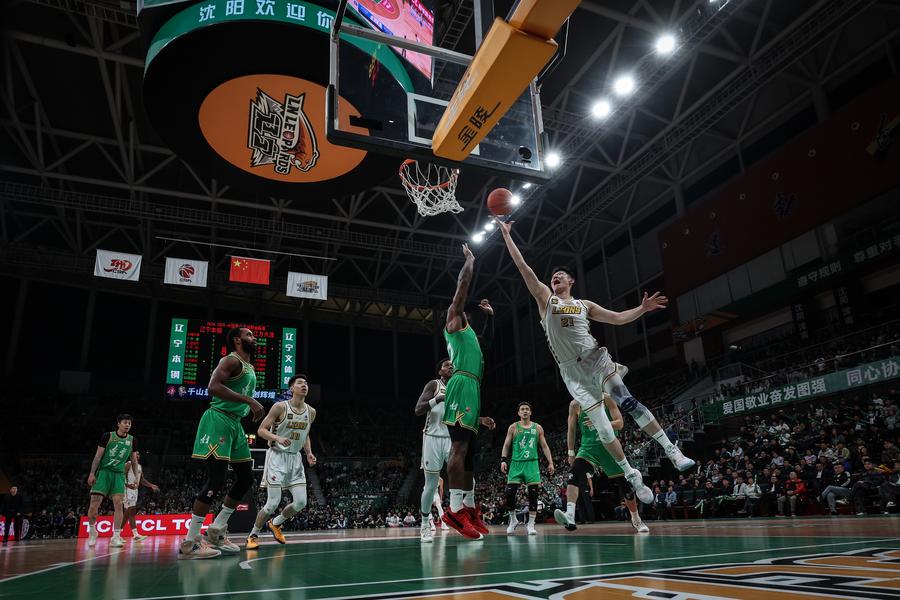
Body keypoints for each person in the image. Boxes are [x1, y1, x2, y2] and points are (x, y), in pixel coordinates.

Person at [496, 218, 692, 503]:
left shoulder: (584, 305)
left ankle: (671, 449)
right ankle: (631, 474)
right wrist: (506, 236)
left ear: (571, 281)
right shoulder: (546, 300)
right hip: (572, 373)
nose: (555, 277)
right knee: (602, 430)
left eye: (561, 275)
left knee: (626, 401)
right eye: (553, 276)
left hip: (595, 358)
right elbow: (523, 267)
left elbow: (618, 318)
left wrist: (642, 308)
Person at [180, 327, 265, 559]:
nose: (254, 338)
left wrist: (247, 404)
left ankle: (216, 530)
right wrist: (249, 400)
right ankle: (190, 543)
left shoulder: (249, 366)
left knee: (246, 478)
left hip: (235, 424)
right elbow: (213, 387)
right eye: (249, 335)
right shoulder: (231, 360)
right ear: (237, 340)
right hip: (218, 419)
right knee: (216, 478)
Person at [440, 244, 497, 539]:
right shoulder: (454, 320)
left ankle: (471, 509)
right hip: (461, 385)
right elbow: (462, 286)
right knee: (459, 448)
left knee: (471, 455)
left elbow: (488, 342)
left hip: (473, 387)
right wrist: (470, 262)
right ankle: (454, 510)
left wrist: (490, 317)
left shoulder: (471, 335)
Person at [554, 393, 649, 534]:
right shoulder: (575, 404)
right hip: (588, 449)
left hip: (610, 447)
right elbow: (571, 430)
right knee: (574, 473)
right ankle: (570, 515)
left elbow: (619, 423)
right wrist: (571, 452)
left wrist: (601, 423)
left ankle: (636, 518)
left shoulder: (607, 398)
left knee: (625, 487)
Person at [247, 374, 317, 549]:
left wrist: (309, 453)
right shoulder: (279, 407)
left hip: (296, 458)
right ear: (292, 388)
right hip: (277, 456)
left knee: (301, 502)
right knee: (272, 503)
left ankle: (276, 523)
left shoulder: (311, 412)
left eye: (306, 383)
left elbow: (305, 434)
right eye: (300, 383)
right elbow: (261, 430)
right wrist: (277, 438)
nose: (304, 385)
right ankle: (253, 535)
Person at [501, 402, 555, 535]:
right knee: (509, 493)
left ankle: (531, 524)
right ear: (519, 413)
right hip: (516, 464)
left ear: (530, 412)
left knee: (533, 494)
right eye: (522, 409)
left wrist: (551, 462)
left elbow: (544, 446)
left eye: (527, 409)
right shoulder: (513, 427)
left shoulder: (538, 428)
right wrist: (503, 460)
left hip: (531, 463)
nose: (525, 411)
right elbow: (506, 445)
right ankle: (513, 520)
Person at [414, 359, 453, 543]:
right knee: (430, 485)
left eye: (452, 365)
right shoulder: (434, 385)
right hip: (431, 437)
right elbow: (418, 409)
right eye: (446, 365)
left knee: (463, 476)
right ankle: (424, 525)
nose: (450, 367)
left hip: (450, 437)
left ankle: (462, 518)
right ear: (440, 371)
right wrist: (437, 399)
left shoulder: (457, 388)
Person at [86, 414, 138, 548]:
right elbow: (98, 456)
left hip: (118, 474)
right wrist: (92, 473)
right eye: (125, 422)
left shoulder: (132, 440)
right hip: (104, 472)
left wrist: (136, 478)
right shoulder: (108, 436)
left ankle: (115, 537)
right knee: (94, 505)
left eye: (129, 423)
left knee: (119, 504)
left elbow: (134, 460)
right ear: (118, 424)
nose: (127, 425)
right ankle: (92, 531)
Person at [121, 452, 160, 541]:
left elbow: (142, 480)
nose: (137, 455)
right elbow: (121, 476)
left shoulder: (139, 466)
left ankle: (117, 534)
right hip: (127, 489)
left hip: (135, 490)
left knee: (127, 513)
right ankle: (135, 535)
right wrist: (127, 485)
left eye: (138, 454)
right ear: (131, 456)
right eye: (136, 454)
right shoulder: (128, 464)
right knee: (132, 511)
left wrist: (151, 485)